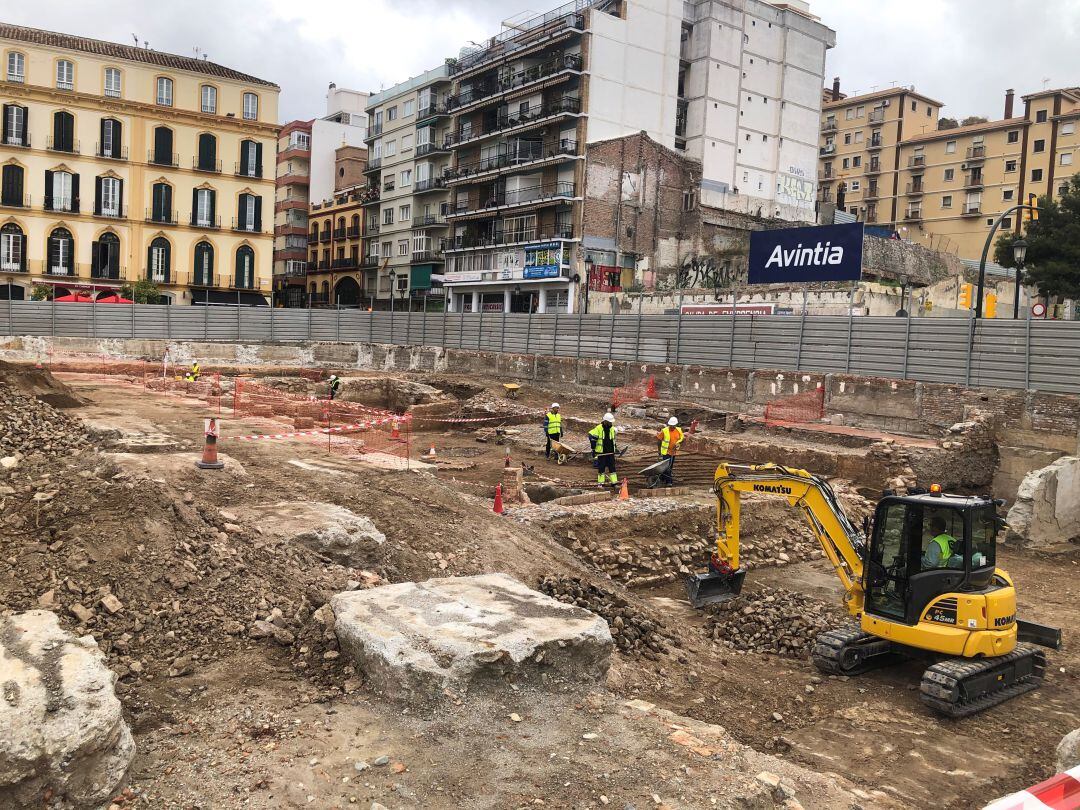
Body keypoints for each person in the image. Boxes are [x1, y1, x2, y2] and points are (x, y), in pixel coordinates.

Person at [588, 412, 619, 487]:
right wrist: (593, 449)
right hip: (601, 453)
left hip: (610, 452)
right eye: (609, 422)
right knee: (601, 468)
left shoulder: (612, 429)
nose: (611, 423)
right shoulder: (598, 428)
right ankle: (600, 483)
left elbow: (613, 440)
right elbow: (592, 438)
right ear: (605, 421)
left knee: (612, 468)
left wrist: (615, 448)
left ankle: (614, 482)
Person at [656, 416, 684, 486]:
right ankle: (669, 482)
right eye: (671, 426)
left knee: (670, 467)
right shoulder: (664, 431)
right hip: (666, 452)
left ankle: (663, 479)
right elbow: (659, 441)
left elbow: (681, 438)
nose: (672, 427)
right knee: (667, 467)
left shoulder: (679, 430)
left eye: (673, 426)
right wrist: (659, 451)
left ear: (676, 425)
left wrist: (678, 443)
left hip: (673, 452)